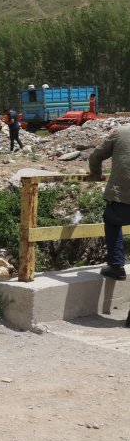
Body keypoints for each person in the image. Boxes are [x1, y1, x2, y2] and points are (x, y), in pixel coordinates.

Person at [89, 126, 130, 329]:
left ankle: (116, 265)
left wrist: (96, 174)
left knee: (111, 219)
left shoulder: (120, 132)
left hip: (122, 199)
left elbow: (96, 156)